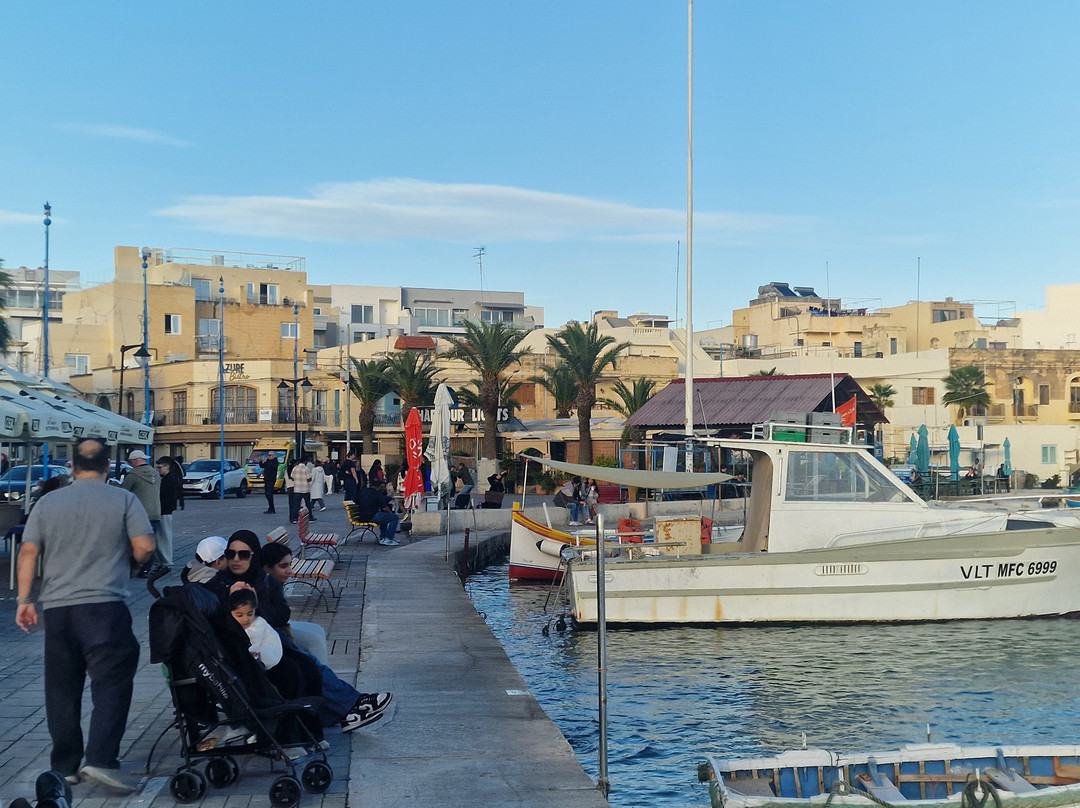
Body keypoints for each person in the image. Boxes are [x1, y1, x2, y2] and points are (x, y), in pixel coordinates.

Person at [15, 437, 155, 794]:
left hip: (59, 611)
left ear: (72, 468)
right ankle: (101, 759)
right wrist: (129, 559)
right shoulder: (123, 499)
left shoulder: (48, 502)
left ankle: (66, 767)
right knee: (111, 683)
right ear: (108, 468)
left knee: (61, 689)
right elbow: (144, 547)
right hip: (105, 607)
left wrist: (24, 600)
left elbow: (28, 551)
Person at [260, 542, 391, 728]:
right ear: (266, 567)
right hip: (269, 643)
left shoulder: (269, 583)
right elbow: (277, 616)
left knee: (313, 647)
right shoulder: (261, 586)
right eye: (284, 566)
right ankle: (353, 703)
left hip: (277, 636)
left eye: (290, 565)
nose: (290, 571)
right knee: (308, 662)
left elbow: (281, 616)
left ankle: (349, 706)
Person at [122, 450, 162, 576]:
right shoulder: (156, 474)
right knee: (150, 543)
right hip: (155, 512)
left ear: (134, 460)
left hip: (139, 515)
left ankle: (134, 568)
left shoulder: (132, 475)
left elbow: (124, 493)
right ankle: (145, 570)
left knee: (134, 543)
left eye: (131, 461)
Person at [228, 589, 283, 670]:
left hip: (267, 658)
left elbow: (253, 643)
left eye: (250, 614)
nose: (246, 619)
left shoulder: (258, 625)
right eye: (239, 615)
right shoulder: (231, 625)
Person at [156, 455, 184, 570]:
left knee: (164, 537)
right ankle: (164, 560)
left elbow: (167, 497)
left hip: (165, 511)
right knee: (163, 536)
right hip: (165, 510)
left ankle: (166, 561)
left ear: (167, 467)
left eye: (160, 467)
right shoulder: (170, 478)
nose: (158, 470)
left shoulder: (169, 480)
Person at [355, 481, 401, 546]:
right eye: (382, 487)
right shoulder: (377, 493)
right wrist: (390, 513)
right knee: (394, 517)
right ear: (378, 487)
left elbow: (355, 501)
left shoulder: (363, 491)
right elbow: (384, 508)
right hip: (372, 516)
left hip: (362, 516)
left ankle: (383, 537)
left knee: (384, 517)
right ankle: (388, 538)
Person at [290, 455, 315, 523]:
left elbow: (292, 477)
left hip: (297, 489)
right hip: (305, 489)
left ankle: (295, 518)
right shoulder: (306, 469)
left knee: (296, 504)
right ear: (306, 462)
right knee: (308, 504)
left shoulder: (295, 468)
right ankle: (310, 518)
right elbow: (309, 478)